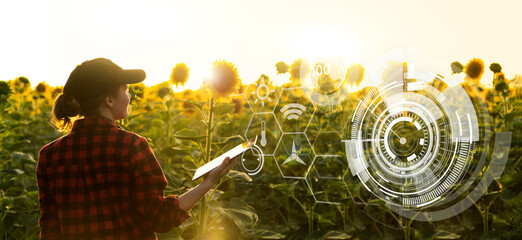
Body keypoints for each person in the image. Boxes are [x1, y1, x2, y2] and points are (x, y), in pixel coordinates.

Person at [36, 58, 238, 239]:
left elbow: (50, 228)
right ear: (109, 100)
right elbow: (159, 217)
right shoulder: (131, 146)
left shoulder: (49, 155)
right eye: (125, 89)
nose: (129, 95)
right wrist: (208, 182)